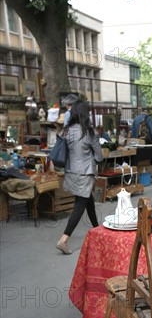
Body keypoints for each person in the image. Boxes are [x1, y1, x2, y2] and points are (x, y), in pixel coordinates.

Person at [56, 101, 103, 255]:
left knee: (87, 199)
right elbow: (99, 156)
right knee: (79, 205)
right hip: (84, 173)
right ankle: (64, 239)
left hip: (70, 173)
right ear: (85, 114)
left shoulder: (66, 131)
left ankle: (97, 229)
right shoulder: (89, 132)